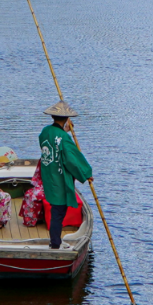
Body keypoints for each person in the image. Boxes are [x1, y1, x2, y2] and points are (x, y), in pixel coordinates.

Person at [38, 100, 93, 249]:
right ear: (67, 119)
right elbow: (72, 159)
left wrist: (64, 131)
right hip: (60, 178)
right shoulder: (64, 138)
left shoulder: (45, 132)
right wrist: (86, 173)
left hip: (49, 175)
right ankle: (55, 243)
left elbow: (53, 143)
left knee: (55, 208)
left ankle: (55, 240)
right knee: (58, 211)